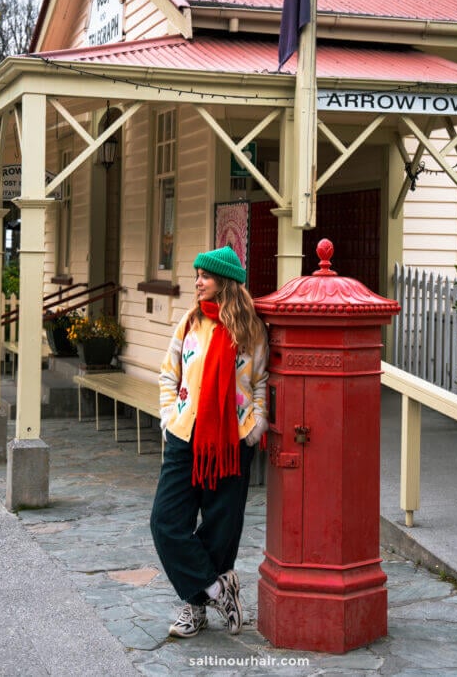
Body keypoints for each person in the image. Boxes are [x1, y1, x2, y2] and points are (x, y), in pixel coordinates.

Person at [150, 245, 269, 638]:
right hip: (187, 436)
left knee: (221, 527)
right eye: (197, 274)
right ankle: (219, 589)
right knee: (166, 522)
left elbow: (261, 382)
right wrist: (170, 419)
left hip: (232, 439)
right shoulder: (189, 322)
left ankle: (194, 608)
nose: (197, 281)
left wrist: (256, 424)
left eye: (204, 275)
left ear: (225, 282)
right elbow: (170, 375)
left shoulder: (251, 329)